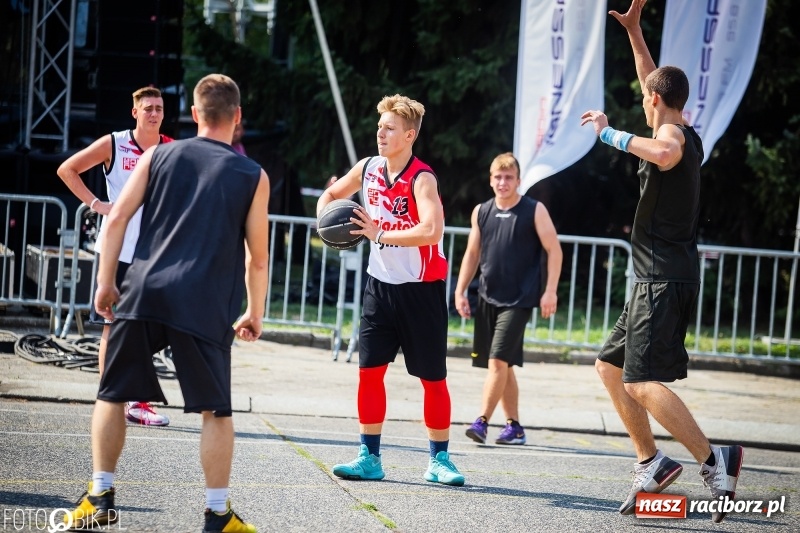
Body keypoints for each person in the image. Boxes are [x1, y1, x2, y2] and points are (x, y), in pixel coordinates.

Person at [63, 74, 270, 532]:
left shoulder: (157, 153)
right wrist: (254, 313)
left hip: (145, 288)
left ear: (194, 114)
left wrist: (104, 282)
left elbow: (117, 216)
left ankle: (100, 497)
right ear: (237, 118)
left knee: (111, 393)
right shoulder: (252, 174)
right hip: (206, 301)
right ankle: (217, 514)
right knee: (217, 411)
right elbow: (258, 259)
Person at [580, 0, 743, 523]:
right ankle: (651, 460)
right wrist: (634, 31)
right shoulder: (680, 122)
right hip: (654, 277)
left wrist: (608, 133)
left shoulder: (672, 138)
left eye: (646, 94)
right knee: (609, 367)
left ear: (654, 102)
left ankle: (715, 459)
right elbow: (654, 79)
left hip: (662, 279)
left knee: (640, 381)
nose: (643, 94)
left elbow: (663, 151)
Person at [318, 94, 464, 486]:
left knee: (432, 379)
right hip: (378, 287)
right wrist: (325, 219)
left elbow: (432, 230)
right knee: (369, 373)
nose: (380, 133)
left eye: (389, 128)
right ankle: (369, 456)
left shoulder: (422, 178)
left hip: (421, 290)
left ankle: (440, 460)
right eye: (380, 126)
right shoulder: (367, 168)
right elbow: (331, 195)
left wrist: (381, 233)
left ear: (409, 134)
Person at [57, 87, 172, 427]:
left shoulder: (169, 148)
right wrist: (97, 205)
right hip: (118, 249)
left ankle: (134, 399)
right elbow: (68, 169)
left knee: (148, 326)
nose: (154, 113)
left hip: (153, 251)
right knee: (113, 324)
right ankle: (113, 398)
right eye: (148, 108)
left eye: (159, 108)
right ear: (135, 112)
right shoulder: (115, 142)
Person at [455, 152, 562, 446]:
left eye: (509, 177)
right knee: (504, 366)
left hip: (520, 299)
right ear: (491, 180)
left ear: (518, 181)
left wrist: (550, 290)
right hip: (489, 296)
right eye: (498, 177)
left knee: (498, 362)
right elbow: (472, 254)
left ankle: (482, 421)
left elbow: (554, 250)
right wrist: (460, 290)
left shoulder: (534, 209)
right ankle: (514, 427)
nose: (503, 182)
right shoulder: (482, 211)